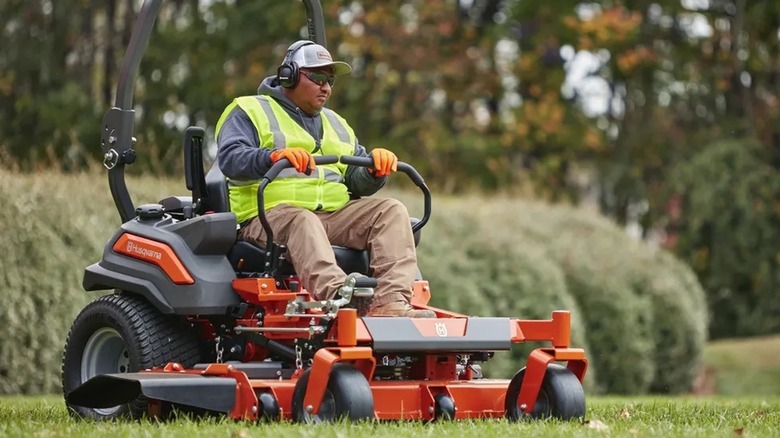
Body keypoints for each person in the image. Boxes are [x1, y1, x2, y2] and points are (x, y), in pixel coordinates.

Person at [215, 40, 435, 318]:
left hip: (333, 215)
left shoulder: (338, 124)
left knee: (391, 210)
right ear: (289, 76)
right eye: (318, 77)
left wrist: (373, 173)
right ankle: (341, 298)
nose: (326, 87)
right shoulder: (248, 110)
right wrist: (272, 157)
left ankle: (390, 305)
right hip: (268, 216)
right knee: (302, 219)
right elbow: (231, 160)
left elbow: (355, 182)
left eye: (330, 80)